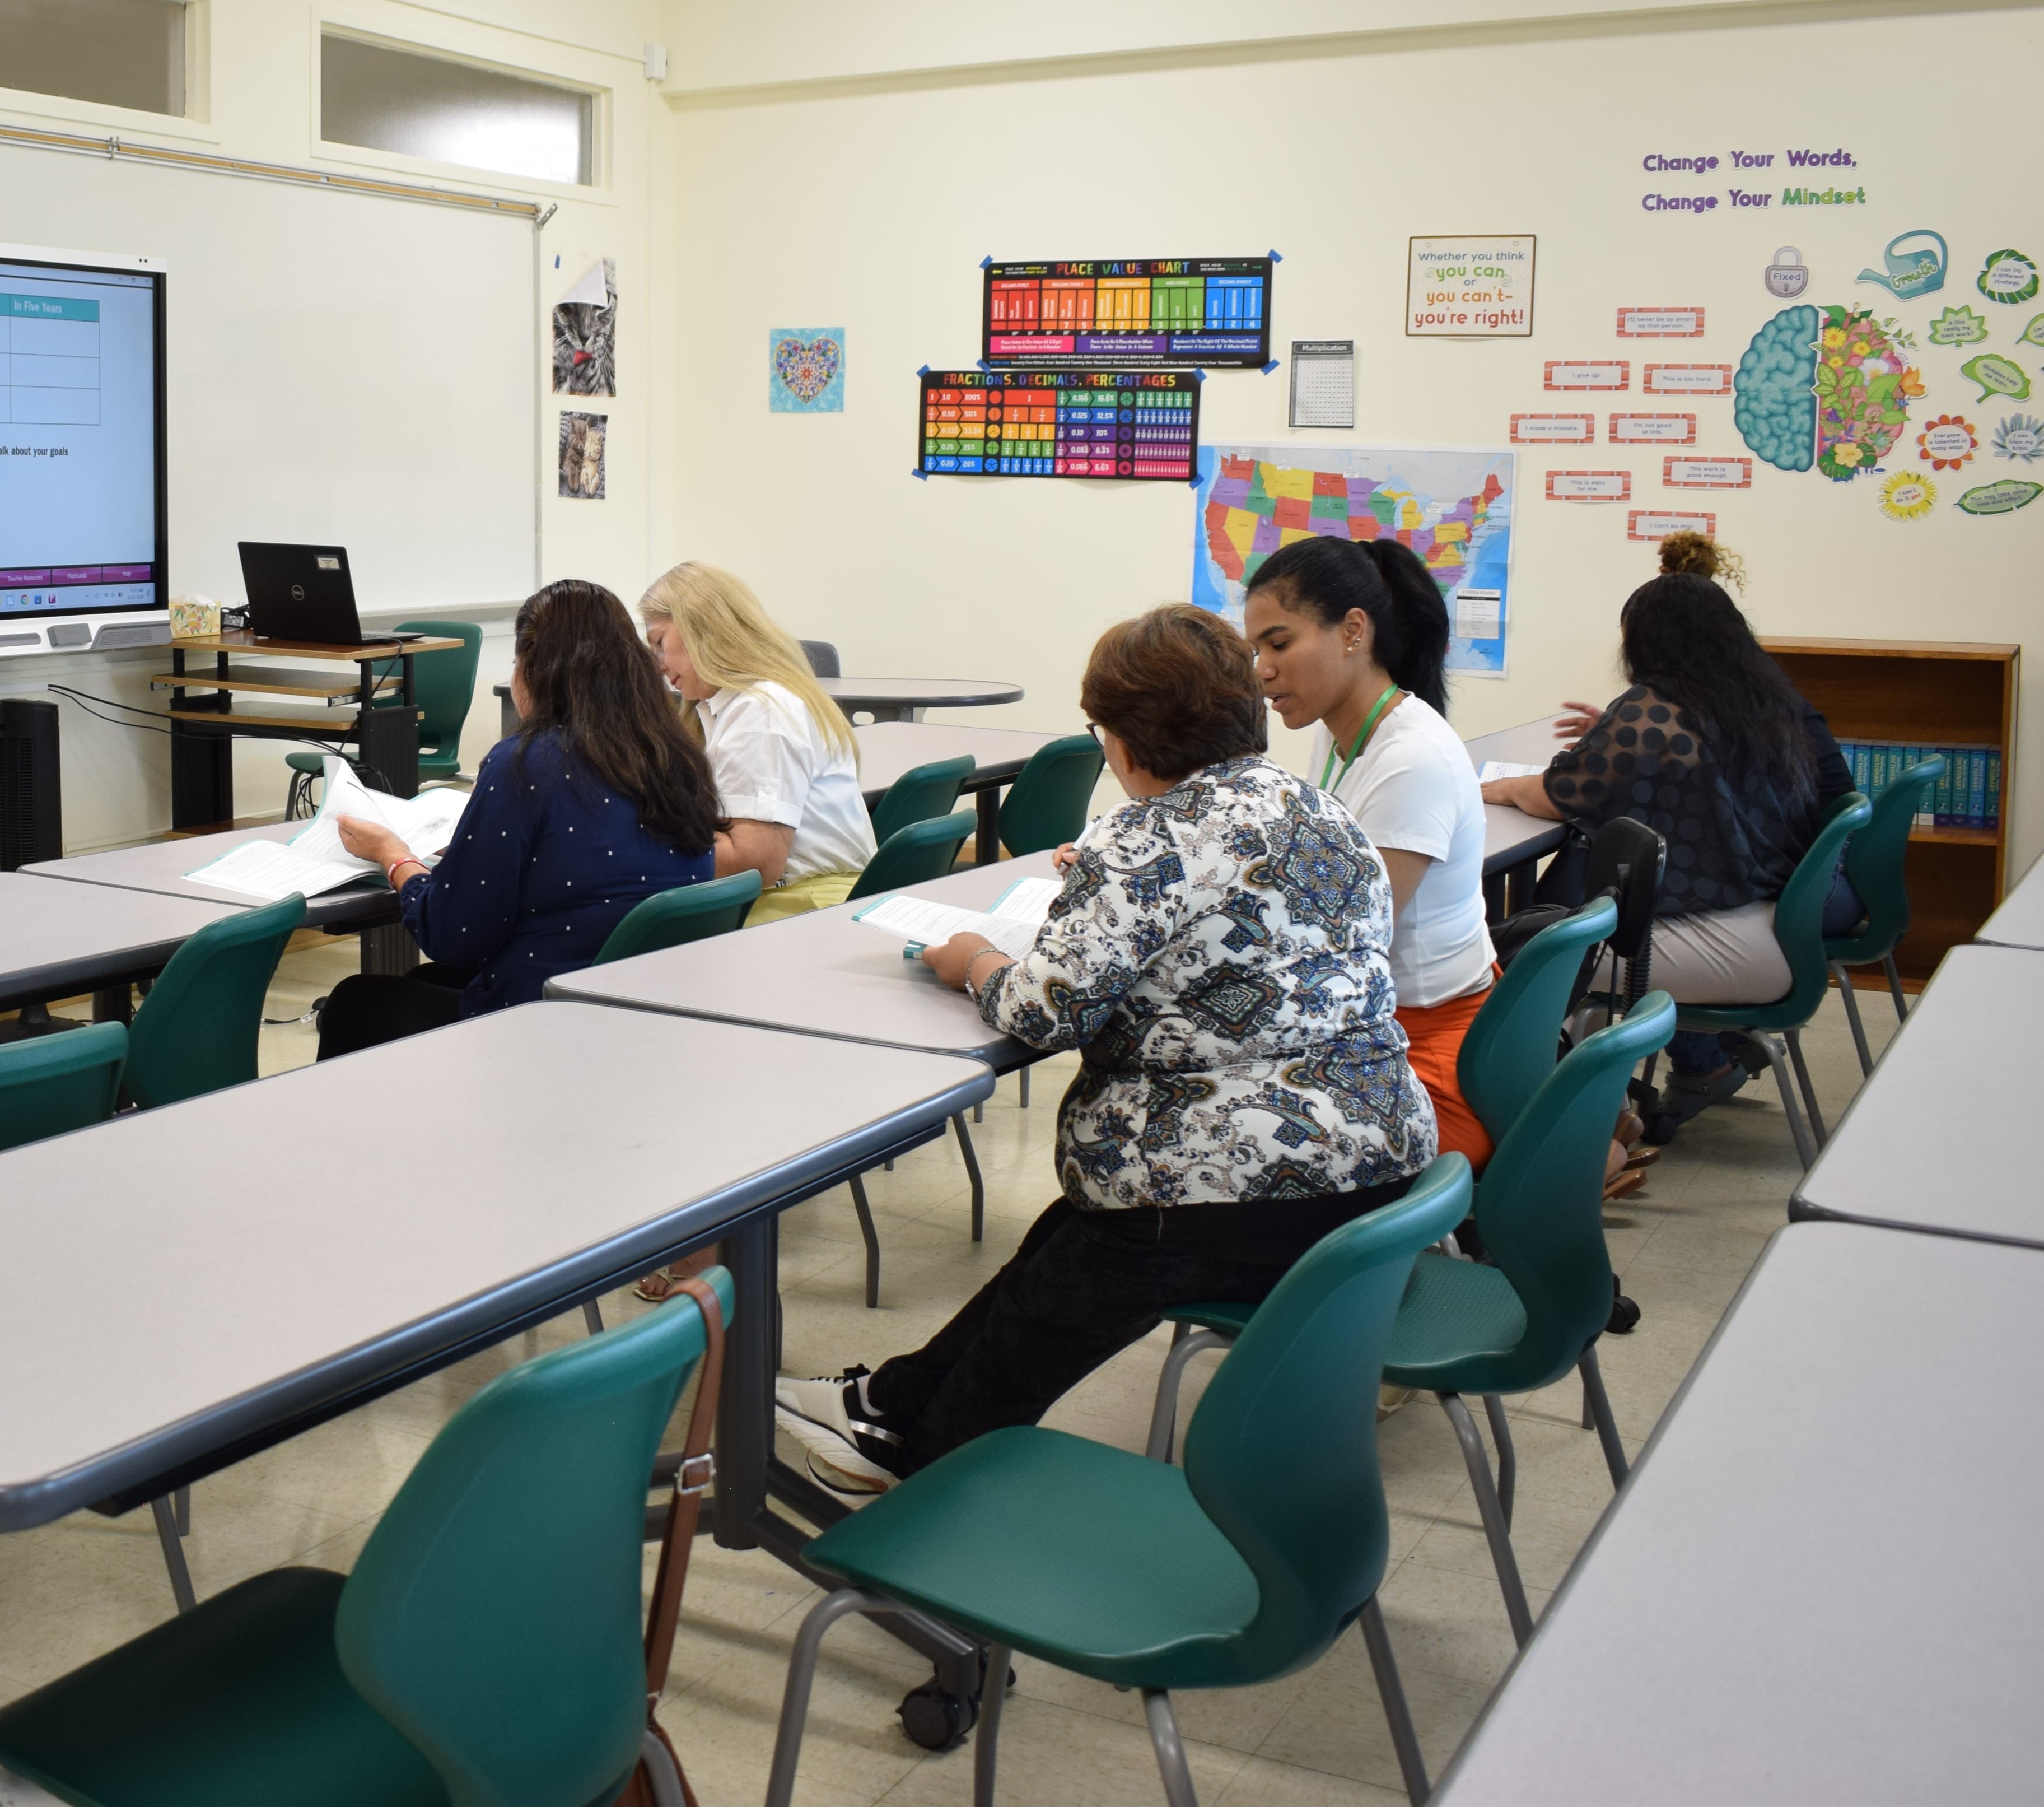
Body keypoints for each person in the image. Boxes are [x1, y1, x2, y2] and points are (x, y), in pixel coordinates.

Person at [774, 606, 1434, 1495]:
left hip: (1249, 1182)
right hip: (1378, 1159)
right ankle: (896, 1400)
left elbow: (1049, 1011)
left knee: (1105, 1244)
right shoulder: (1319, 809)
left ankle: (923, 1462)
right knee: (1075, 1229)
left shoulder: (1147, 836)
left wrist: (977, 961)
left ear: (1122, 743)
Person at [1481, 553, 1853, 1130]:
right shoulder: (1762, 697)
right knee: (1612, 862)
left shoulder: (1651, 710)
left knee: (1544, 935)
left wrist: (1493, 786)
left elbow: (1556, 794)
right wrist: (1616, 730)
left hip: (1745, 928)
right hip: (1775, 907)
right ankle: (1702, 1058)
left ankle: (1558, 1113)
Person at [318, 579, 717, 1057]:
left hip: (543, 1024)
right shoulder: (679, 757)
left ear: (539, 669)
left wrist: (395, 857)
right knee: (421, 983)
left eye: (516, 661)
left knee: (354, 1003)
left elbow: (452, 937)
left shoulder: (526, 766)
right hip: (643, 1014)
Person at [1244, 535, 1500, 1167]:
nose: (1262, 669)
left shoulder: (1411, 758)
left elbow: (1346, 941)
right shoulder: (1341, 735)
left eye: (1279, 644)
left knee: (1241, 1148)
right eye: (1256, 651)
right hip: (1380, 1025)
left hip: (1429, 1052)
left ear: (1354, 632)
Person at [634, 562, 875, 923]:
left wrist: (631, 848)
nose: (658, 664)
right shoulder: (731, 705)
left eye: (660, 643)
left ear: (703, 630)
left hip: (802, 910)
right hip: (802, 900)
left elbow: (753, 865)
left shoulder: (761, 712)